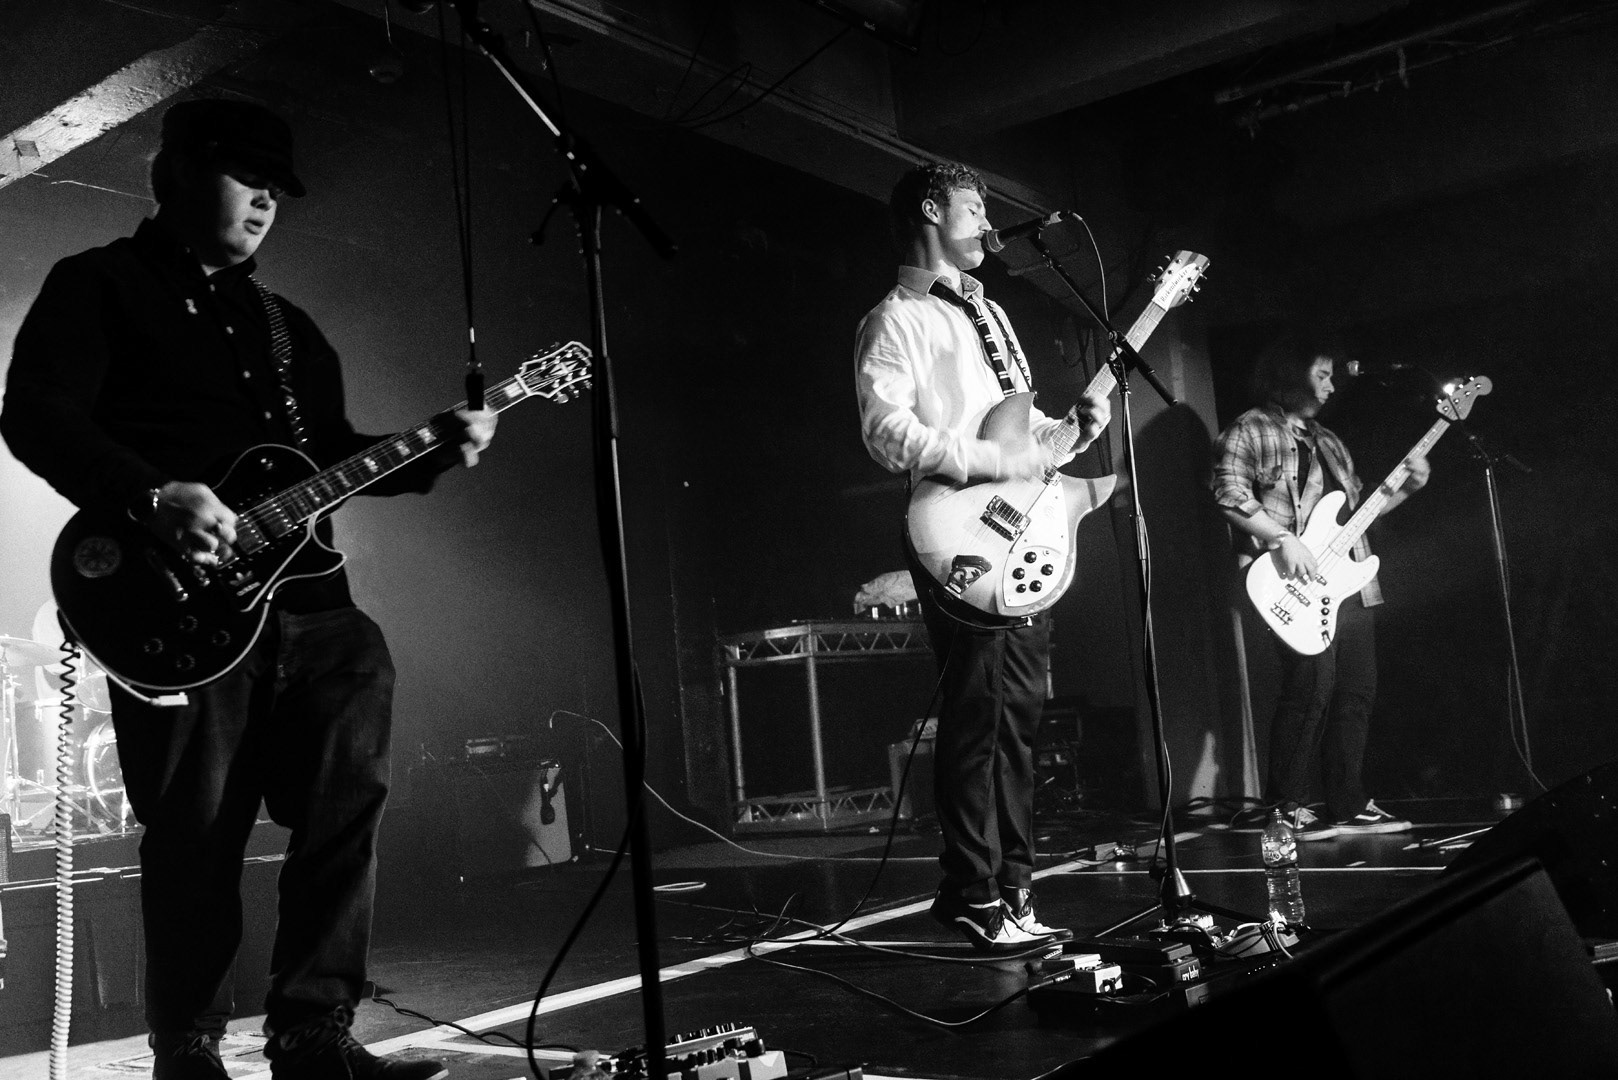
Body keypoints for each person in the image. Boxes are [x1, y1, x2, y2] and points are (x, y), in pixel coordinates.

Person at [1, 99, 496, 1080]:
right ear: (179, 170)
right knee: (196, 835)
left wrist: (434, 448)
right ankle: (188, 1050)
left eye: (278, 186)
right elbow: (34, 415)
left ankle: (313, 1036)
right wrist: (150, 496)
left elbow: (332, 456)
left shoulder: (287, 327)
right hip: (173, 609)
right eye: (246, 176)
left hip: (312, 603)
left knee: (345, 807)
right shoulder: (100, 285)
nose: (267, 200)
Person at [854, 162, 1110, 951]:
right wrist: (992, 460)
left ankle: (1016, 893)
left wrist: (1071, 431)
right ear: (932, 209)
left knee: (1017, 719)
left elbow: (1021, 433)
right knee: (979, 715)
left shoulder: (992, 312)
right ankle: (970, 891)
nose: (988, 224)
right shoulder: (896, 318)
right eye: (974, 207)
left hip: (1013, 525)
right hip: (954, 527)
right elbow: (886, 432)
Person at [1211, 333, 1428, 841]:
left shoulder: (1329, 441)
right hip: (1288, 581)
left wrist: (1408, 490)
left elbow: (1354, 518)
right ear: (1291, 373)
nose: (1332, 386)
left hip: (1346, 584)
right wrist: (1281, 538)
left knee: (1356, 691)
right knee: (1310, 687)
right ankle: (1283, 808)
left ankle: (1347, 803)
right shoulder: (1251, 428)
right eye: (1323, 374)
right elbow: (1227, 492)